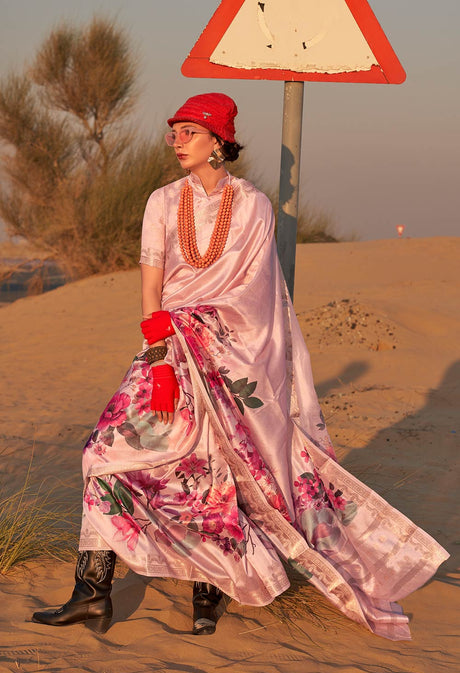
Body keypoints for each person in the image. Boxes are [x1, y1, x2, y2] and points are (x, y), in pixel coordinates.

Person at [32, 93, 448, 639]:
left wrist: (206, 330)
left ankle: (210, 591)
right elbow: (151, 285)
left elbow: (259, 294)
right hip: (168, 348)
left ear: (219, 141)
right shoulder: (162, 201)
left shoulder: (252, 205)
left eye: (189, 132)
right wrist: (158, 356)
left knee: (214, 468)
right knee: (103, 452)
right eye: (174, 132)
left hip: (229, 356)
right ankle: (92, 592)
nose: (176, 141)